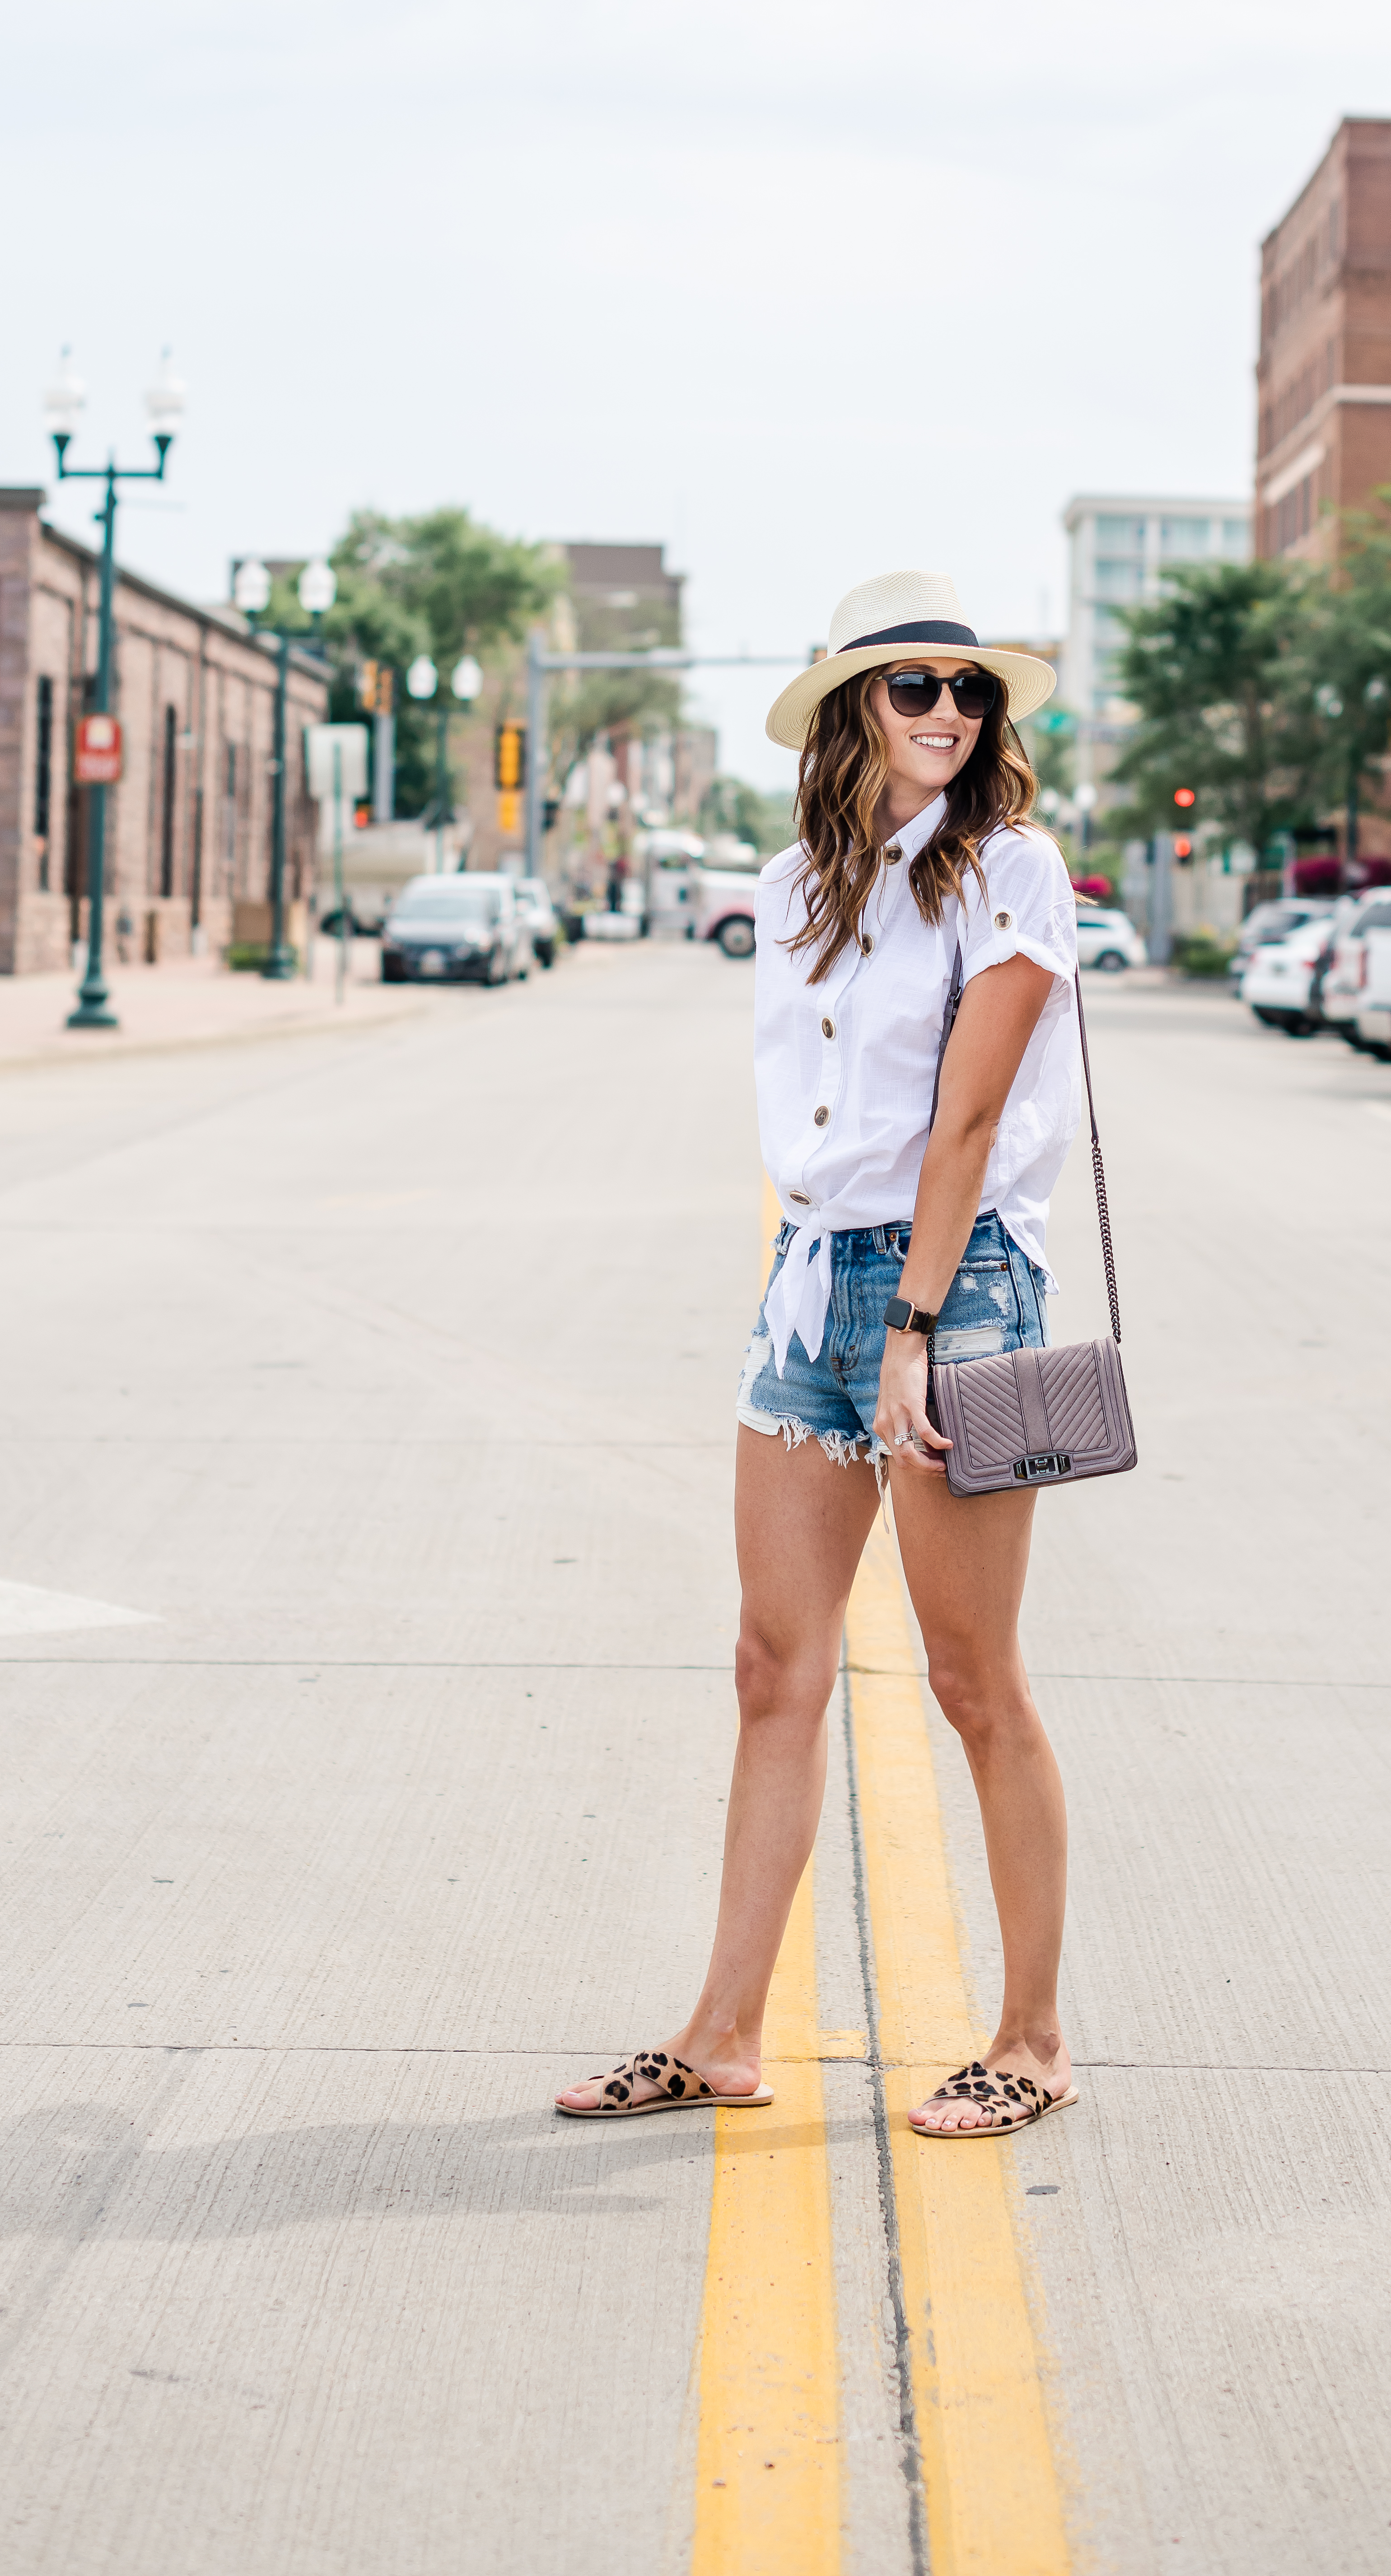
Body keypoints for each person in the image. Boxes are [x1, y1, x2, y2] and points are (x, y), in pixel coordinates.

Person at [558, 570, 1086, 2141]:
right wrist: (825, 1285)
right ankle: (721, 2029)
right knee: (769, 1665)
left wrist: (914, 1326)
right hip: (809, 1284)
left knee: (970, 1679)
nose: (944, 712)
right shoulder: (797, 884)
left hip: (964, 1286)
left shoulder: (1011, 871)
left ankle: (1035, 2036)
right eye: (912, 685)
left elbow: (968, 1121)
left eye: (966, 689)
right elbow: (816, 1127)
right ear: (855, 704)